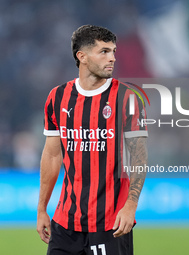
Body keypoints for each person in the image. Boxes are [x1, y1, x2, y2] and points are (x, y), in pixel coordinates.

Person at [37, 24, 148, 255]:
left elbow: (139, 156)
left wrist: (130, 207)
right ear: (82, 57)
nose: (113, 58)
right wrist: (41, 208)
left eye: (113, 51)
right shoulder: (57, 97)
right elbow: (52, 154)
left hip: (111, 223)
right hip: (65, 222)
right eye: (104, 51)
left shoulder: (127, 97)